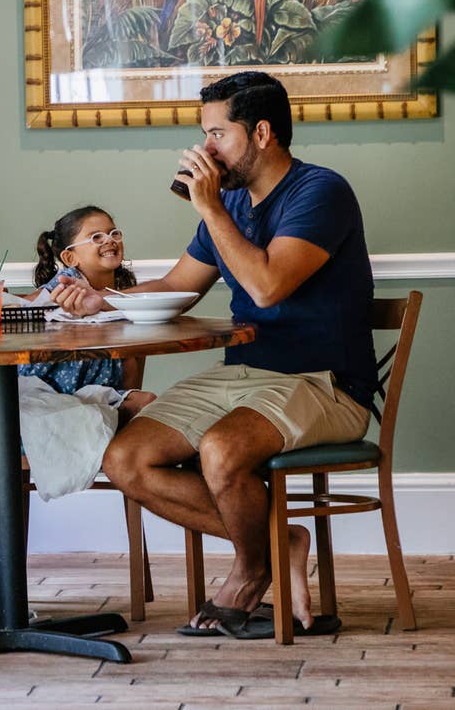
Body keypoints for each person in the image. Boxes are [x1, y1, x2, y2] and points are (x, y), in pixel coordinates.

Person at [50, 71, 377, 639]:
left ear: (263, 133)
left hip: (326, 383)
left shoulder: (321, 191)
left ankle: (251, 573)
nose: (205, 150)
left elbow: (267, 286)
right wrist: (100, 298)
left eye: (217, 134)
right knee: (125, 458)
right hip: (247, 376)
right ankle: (283, 538)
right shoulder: (227, 203)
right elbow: (180, 283)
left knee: (222, 450)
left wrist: (211, 209)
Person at [0, 205, 158, 451]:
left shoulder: (122, 290)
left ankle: (123, 459)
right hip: (53, 389)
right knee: (30, 410)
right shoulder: (67, 285)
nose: (109, 241)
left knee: (144, 398)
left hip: (101, 387)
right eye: (96, 237)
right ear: (70, 258)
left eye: (114, 233)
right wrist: (7, 301)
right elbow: (35, 298)